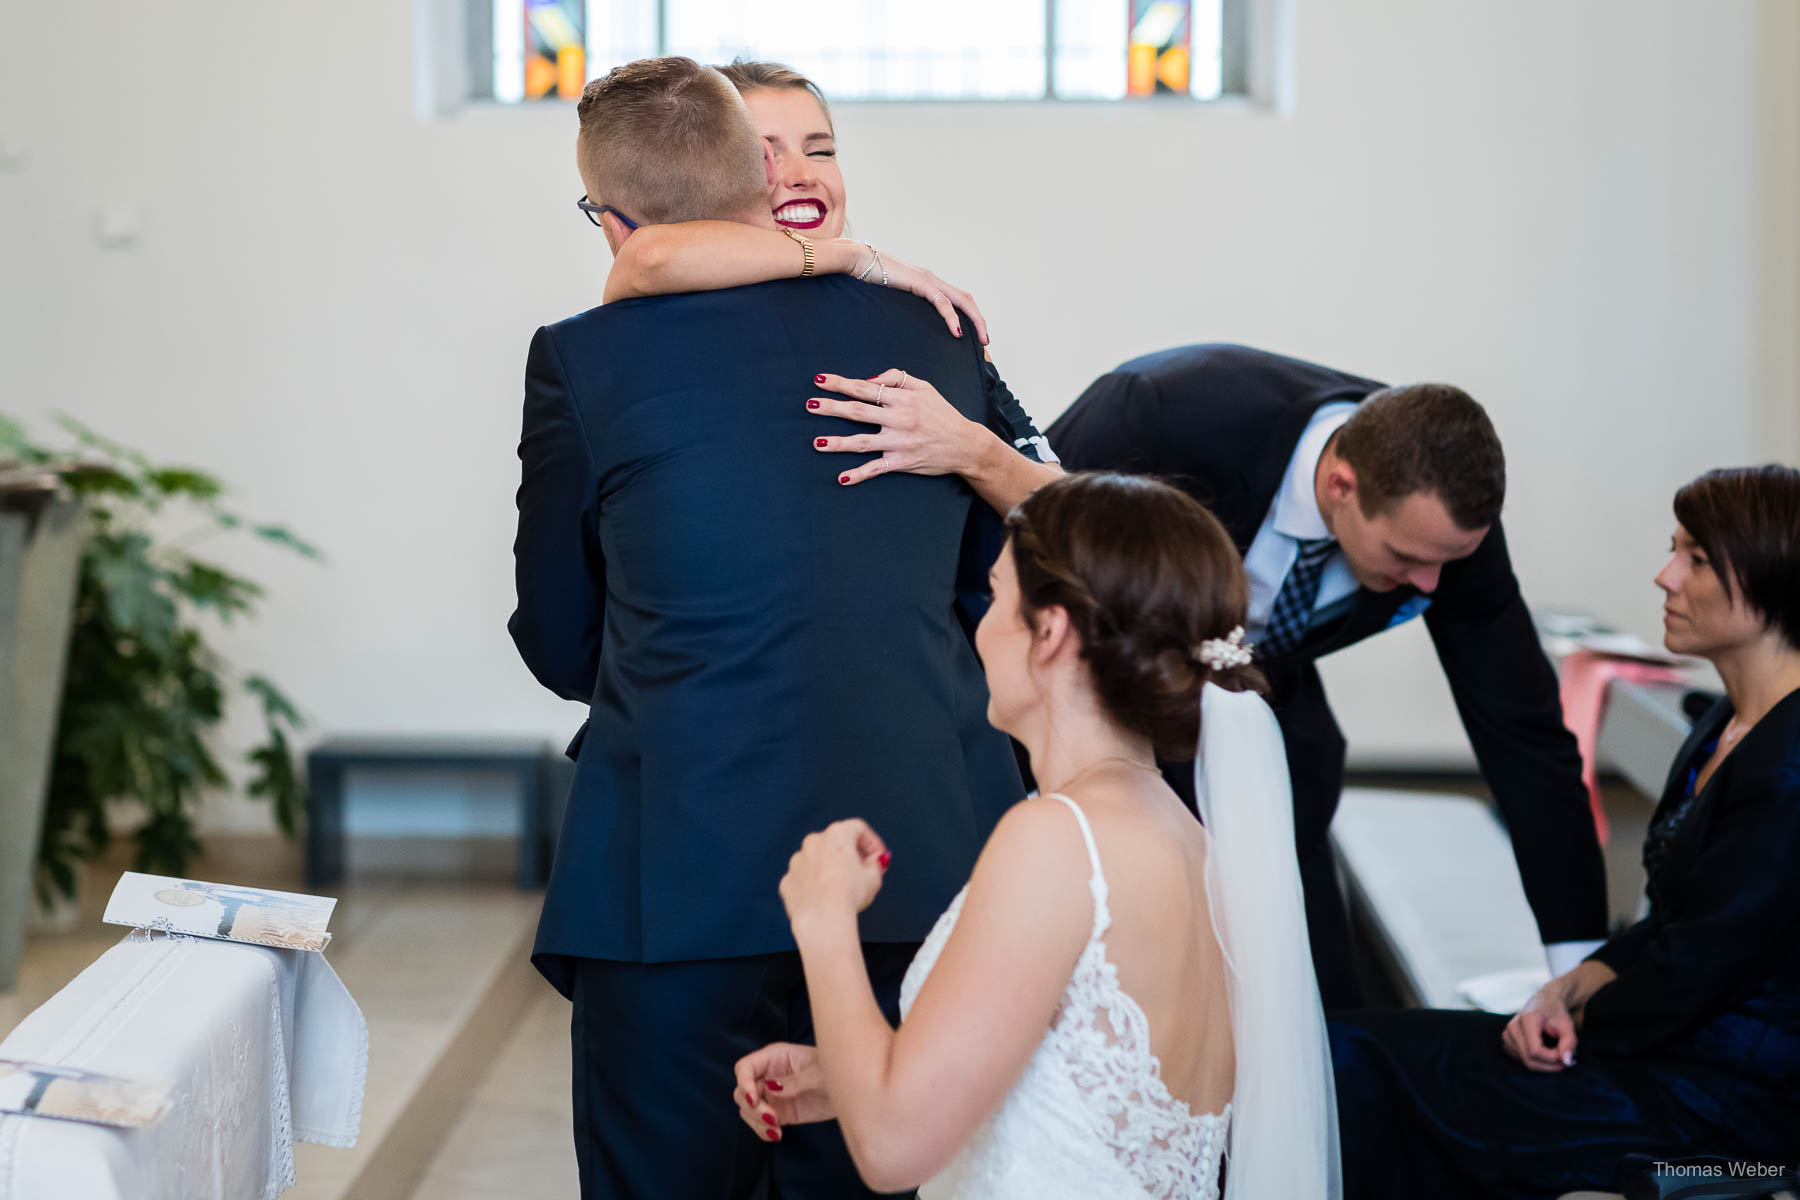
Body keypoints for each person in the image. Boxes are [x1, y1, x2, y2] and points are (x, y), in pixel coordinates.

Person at [510, 58, 1028, 1198]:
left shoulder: (586, 356)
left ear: (614, 217)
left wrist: (678, 679)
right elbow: (993, 591)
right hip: (905, 849)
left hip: (675, 861)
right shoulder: (939, 332)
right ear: (759, 176)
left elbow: (556, 633)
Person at [730, 473, 1340, 1199]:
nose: (981, 626)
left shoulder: (1057, 841)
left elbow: (891, 1147)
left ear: (1049, 631)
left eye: (996, 596)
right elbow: (1087, 1089)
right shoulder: (1193, 843)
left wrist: (823, 917)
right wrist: (851, 1073)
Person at [1047, 345, 1609, 1007]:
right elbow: (1009, 569)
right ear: (1341, 485)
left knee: (1319, 1008)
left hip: (1280, 751)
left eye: (1440, 567)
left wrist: (1578, 963)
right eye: (1404, 558)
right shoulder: (1163, 414)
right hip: (1105, 722)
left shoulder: (1444, 533)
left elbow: (1523, 732)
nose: (1431, 585)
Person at [1329, 463, 1800, 1198]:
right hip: (1665, 1049)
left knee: (1362, 1067)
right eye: (1674, 548)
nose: (1664, 577)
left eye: (1697, 559)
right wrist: (1567, 988)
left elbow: (1696, 970)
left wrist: (1575, 1022)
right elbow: (1678, 923)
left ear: (1774, 580)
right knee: (1361, 1054)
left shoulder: (1790, 767)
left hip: (1732, 1111)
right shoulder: (1724, 724)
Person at [599, 59, 1062, 510]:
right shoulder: (666, 330)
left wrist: (971, 449)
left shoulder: (929, 329)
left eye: (821, 151)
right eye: (761, 154)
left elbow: (1073, 518)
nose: (802, 175)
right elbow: (648, 256)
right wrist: (855, 255)